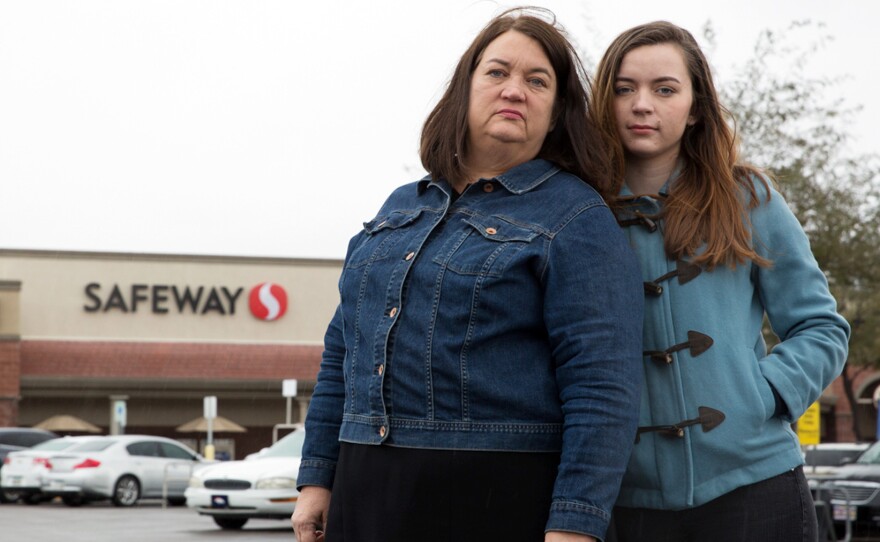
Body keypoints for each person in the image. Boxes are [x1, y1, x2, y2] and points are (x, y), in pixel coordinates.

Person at [291, 8, 644, 542]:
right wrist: (316, 477)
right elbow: (343, 349)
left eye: (537, 81)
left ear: (556, 112)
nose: (514, 90)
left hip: (496, 496)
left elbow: (603, 387)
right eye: (497, 72)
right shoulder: (397, 207)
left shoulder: (577, 219)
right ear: (466, 88)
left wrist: (576, 523)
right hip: (366, 489)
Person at [590, 21, 851, 542]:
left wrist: (767, 394)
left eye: (665, 89)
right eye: (625, 88)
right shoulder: (579, 210)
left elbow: (821, 326)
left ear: (695, 108)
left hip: (757, 486)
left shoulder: (748, 198)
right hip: (626, 501)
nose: (643, 104)